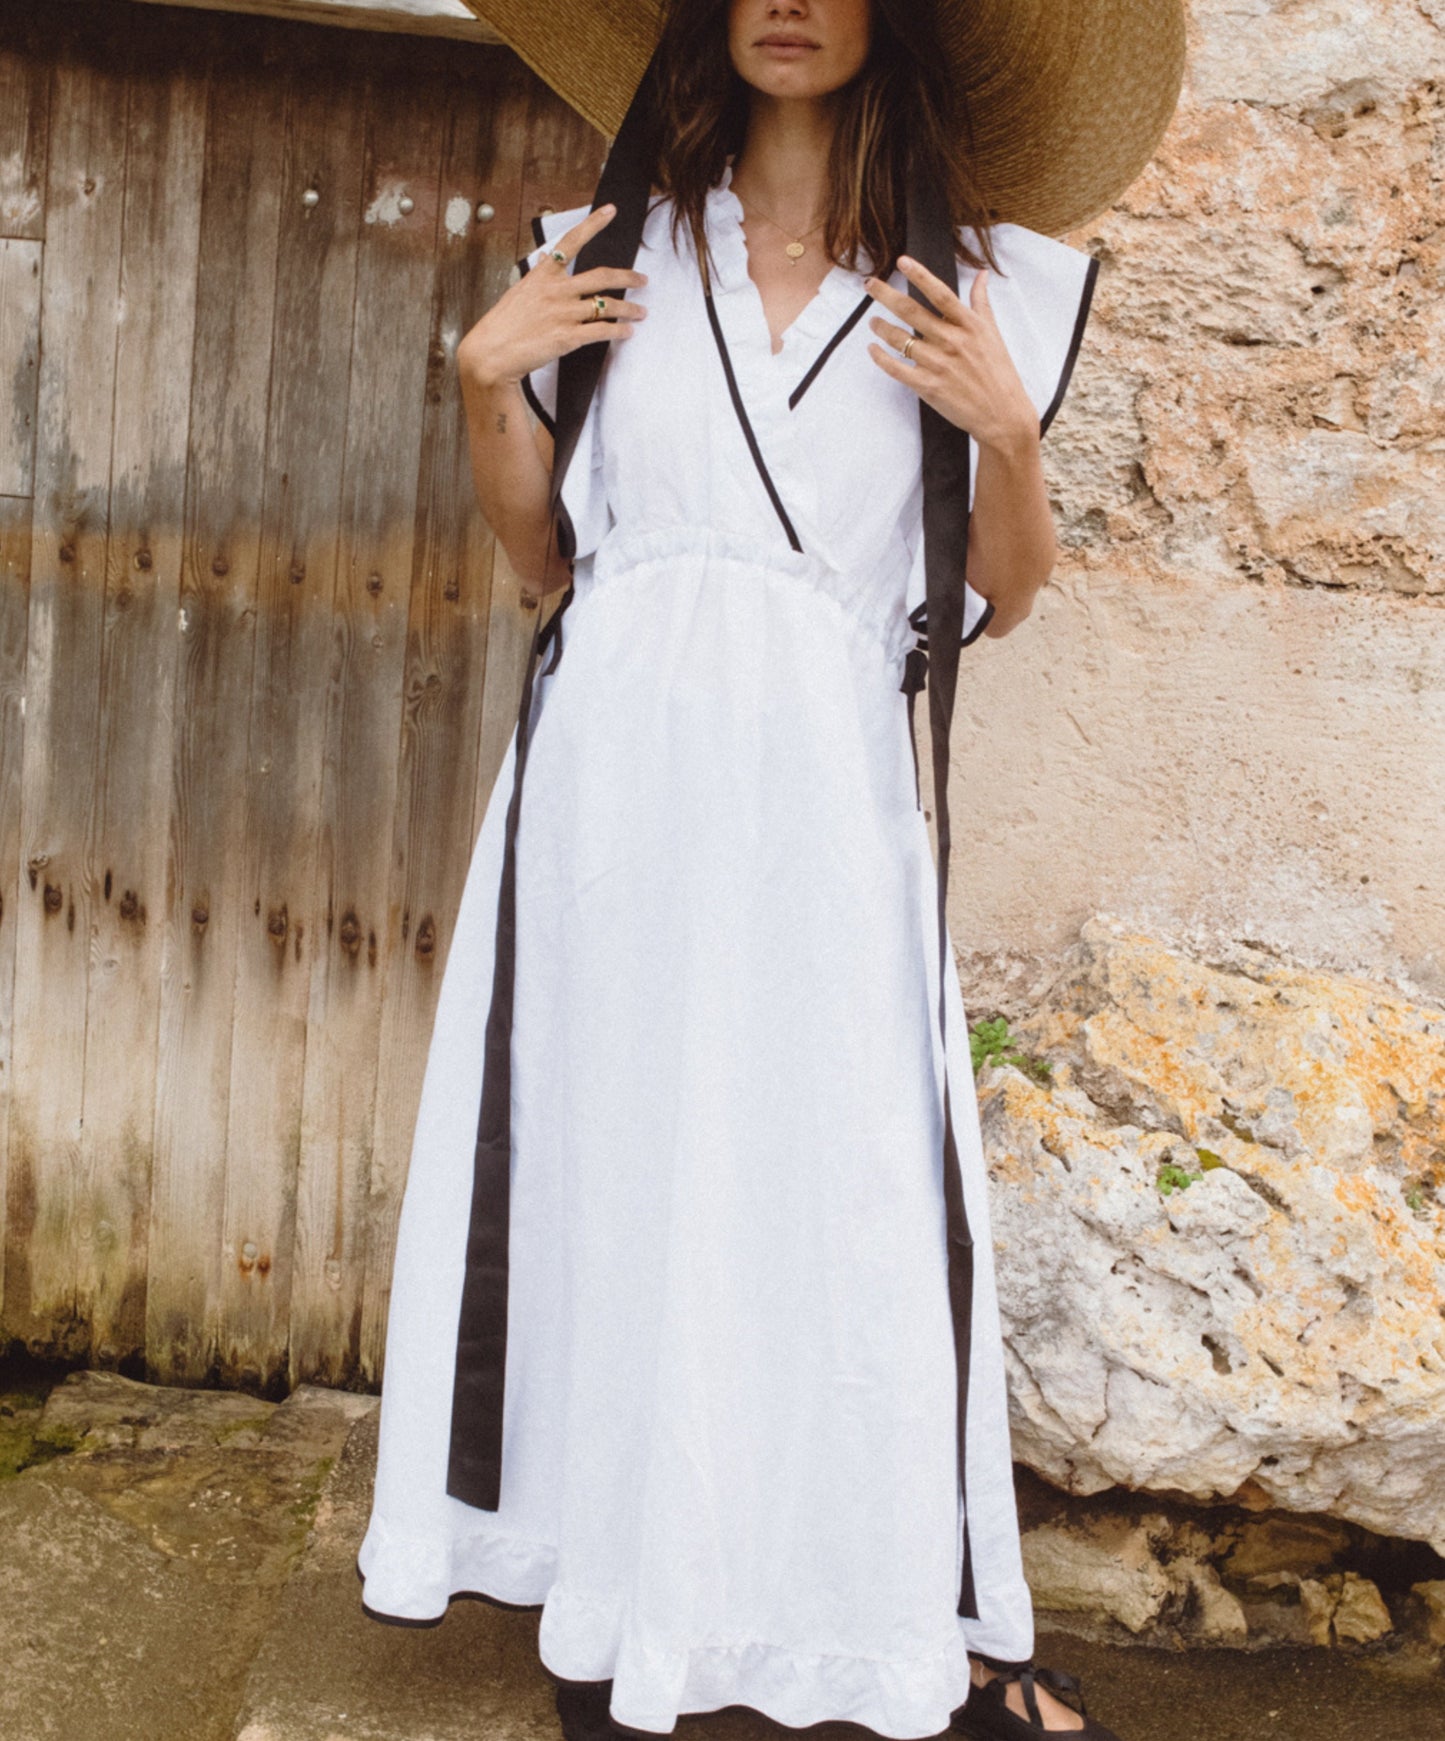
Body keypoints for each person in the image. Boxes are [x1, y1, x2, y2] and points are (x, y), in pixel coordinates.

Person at [355, 4, 1184, 1740]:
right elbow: (542, 557)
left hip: (818, 803)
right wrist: (482, 379)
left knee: (842, 1196)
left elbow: (995, 600)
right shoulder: (607, 255)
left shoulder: (973, 283)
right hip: (611, 794)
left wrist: (1009, 438)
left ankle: (874, 1618)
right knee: (616, 1164)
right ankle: (619, 1601)